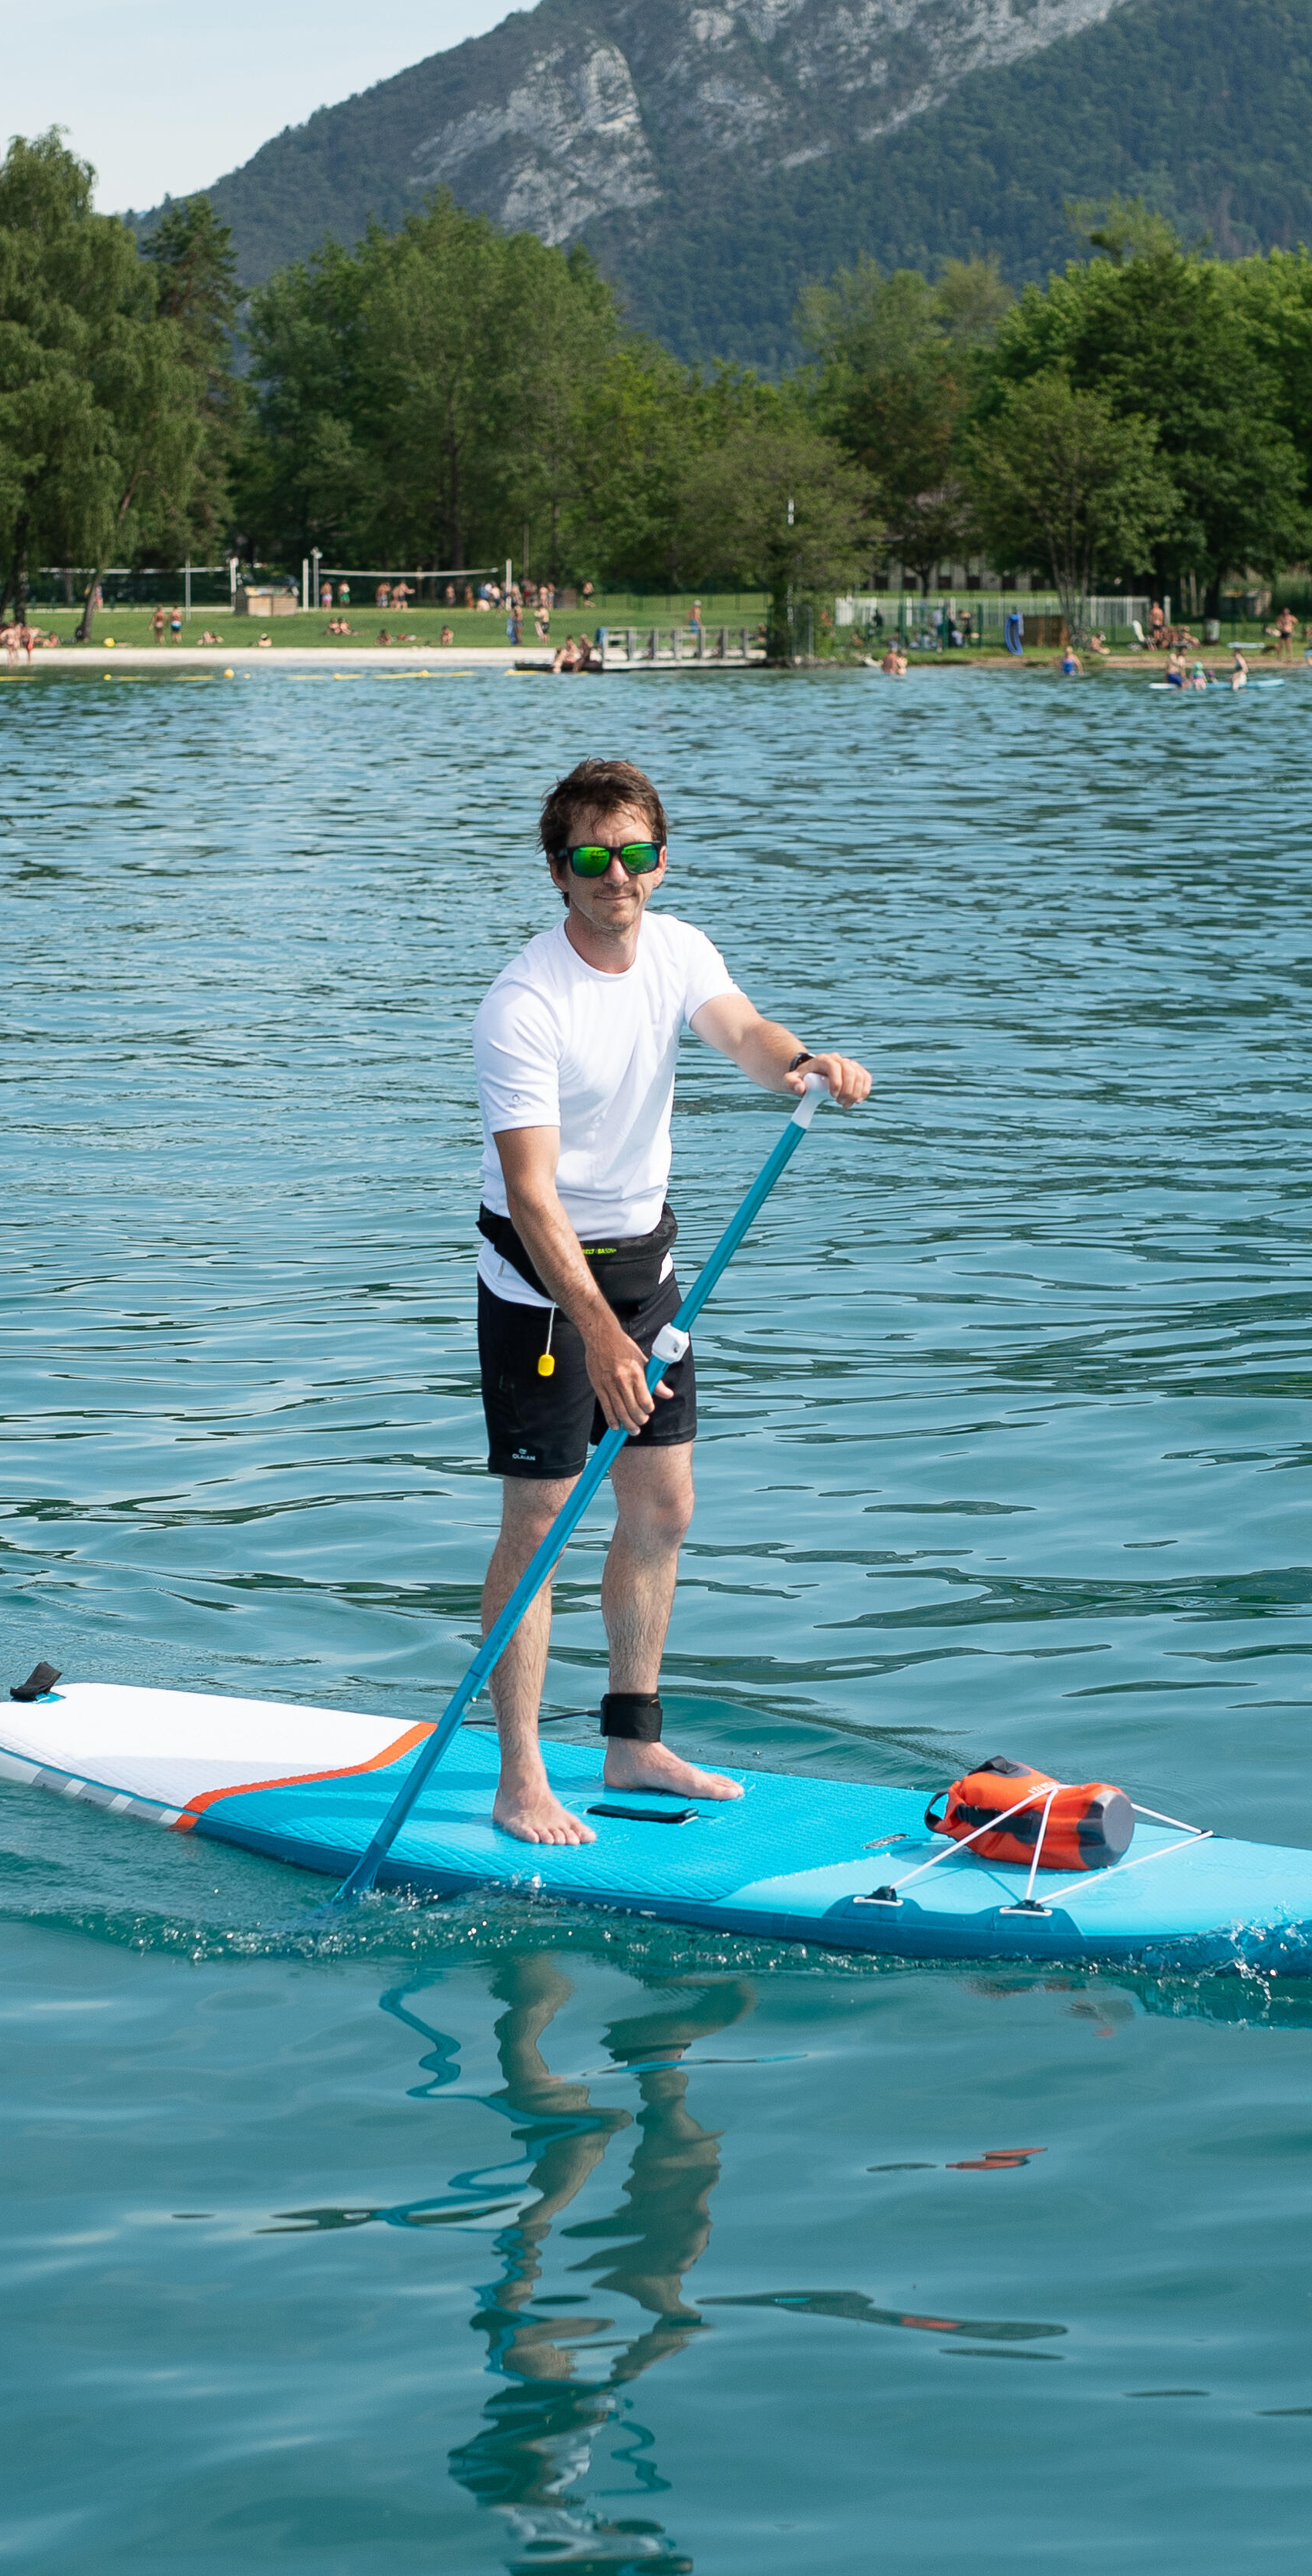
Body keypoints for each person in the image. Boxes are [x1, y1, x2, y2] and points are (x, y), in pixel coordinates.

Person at [470, 760, 873, 1844]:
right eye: (595, 858)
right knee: (543, 1523)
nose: (620, 877)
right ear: (559, 871)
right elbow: (531, 1194)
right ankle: (519, 1779)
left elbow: (741, 1032)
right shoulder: (524, 1004)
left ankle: (632, 1739)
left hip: (647, 1271)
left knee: (662, 1508)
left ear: (661, 858)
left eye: (637, 854)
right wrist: (597, 1336)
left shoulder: (680, 948)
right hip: (543, 1291)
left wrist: (801, 1064)